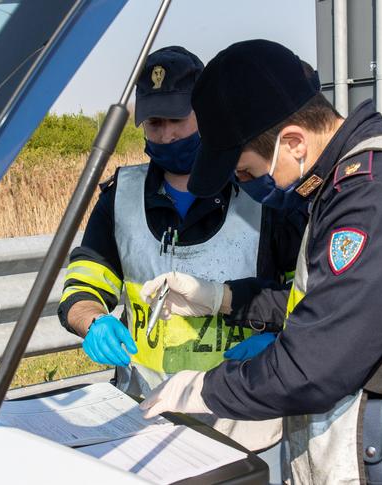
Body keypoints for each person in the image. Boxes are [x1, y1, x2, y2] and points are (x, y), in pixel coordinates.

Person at [138, 40, 382, 484]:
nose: (249, 186)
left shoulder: (377, 197)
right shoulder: (346, 183)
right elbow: (323, 300)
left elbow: (312, 367)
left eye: (247, 173)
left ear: (292, 143)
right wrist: (222, 298)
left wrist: (203, 389)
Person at [56, 46, 304, 471]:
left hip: (243, 421)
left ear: (205, 113)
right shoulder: (121, 198)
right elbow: (82, 285)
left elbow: (305, 299)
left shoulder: (262, 193)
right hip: (146, 419)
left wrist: (277, 342)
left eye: (177, 119)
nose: (167, 135)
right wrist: (93, 322)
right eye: (155, 123)